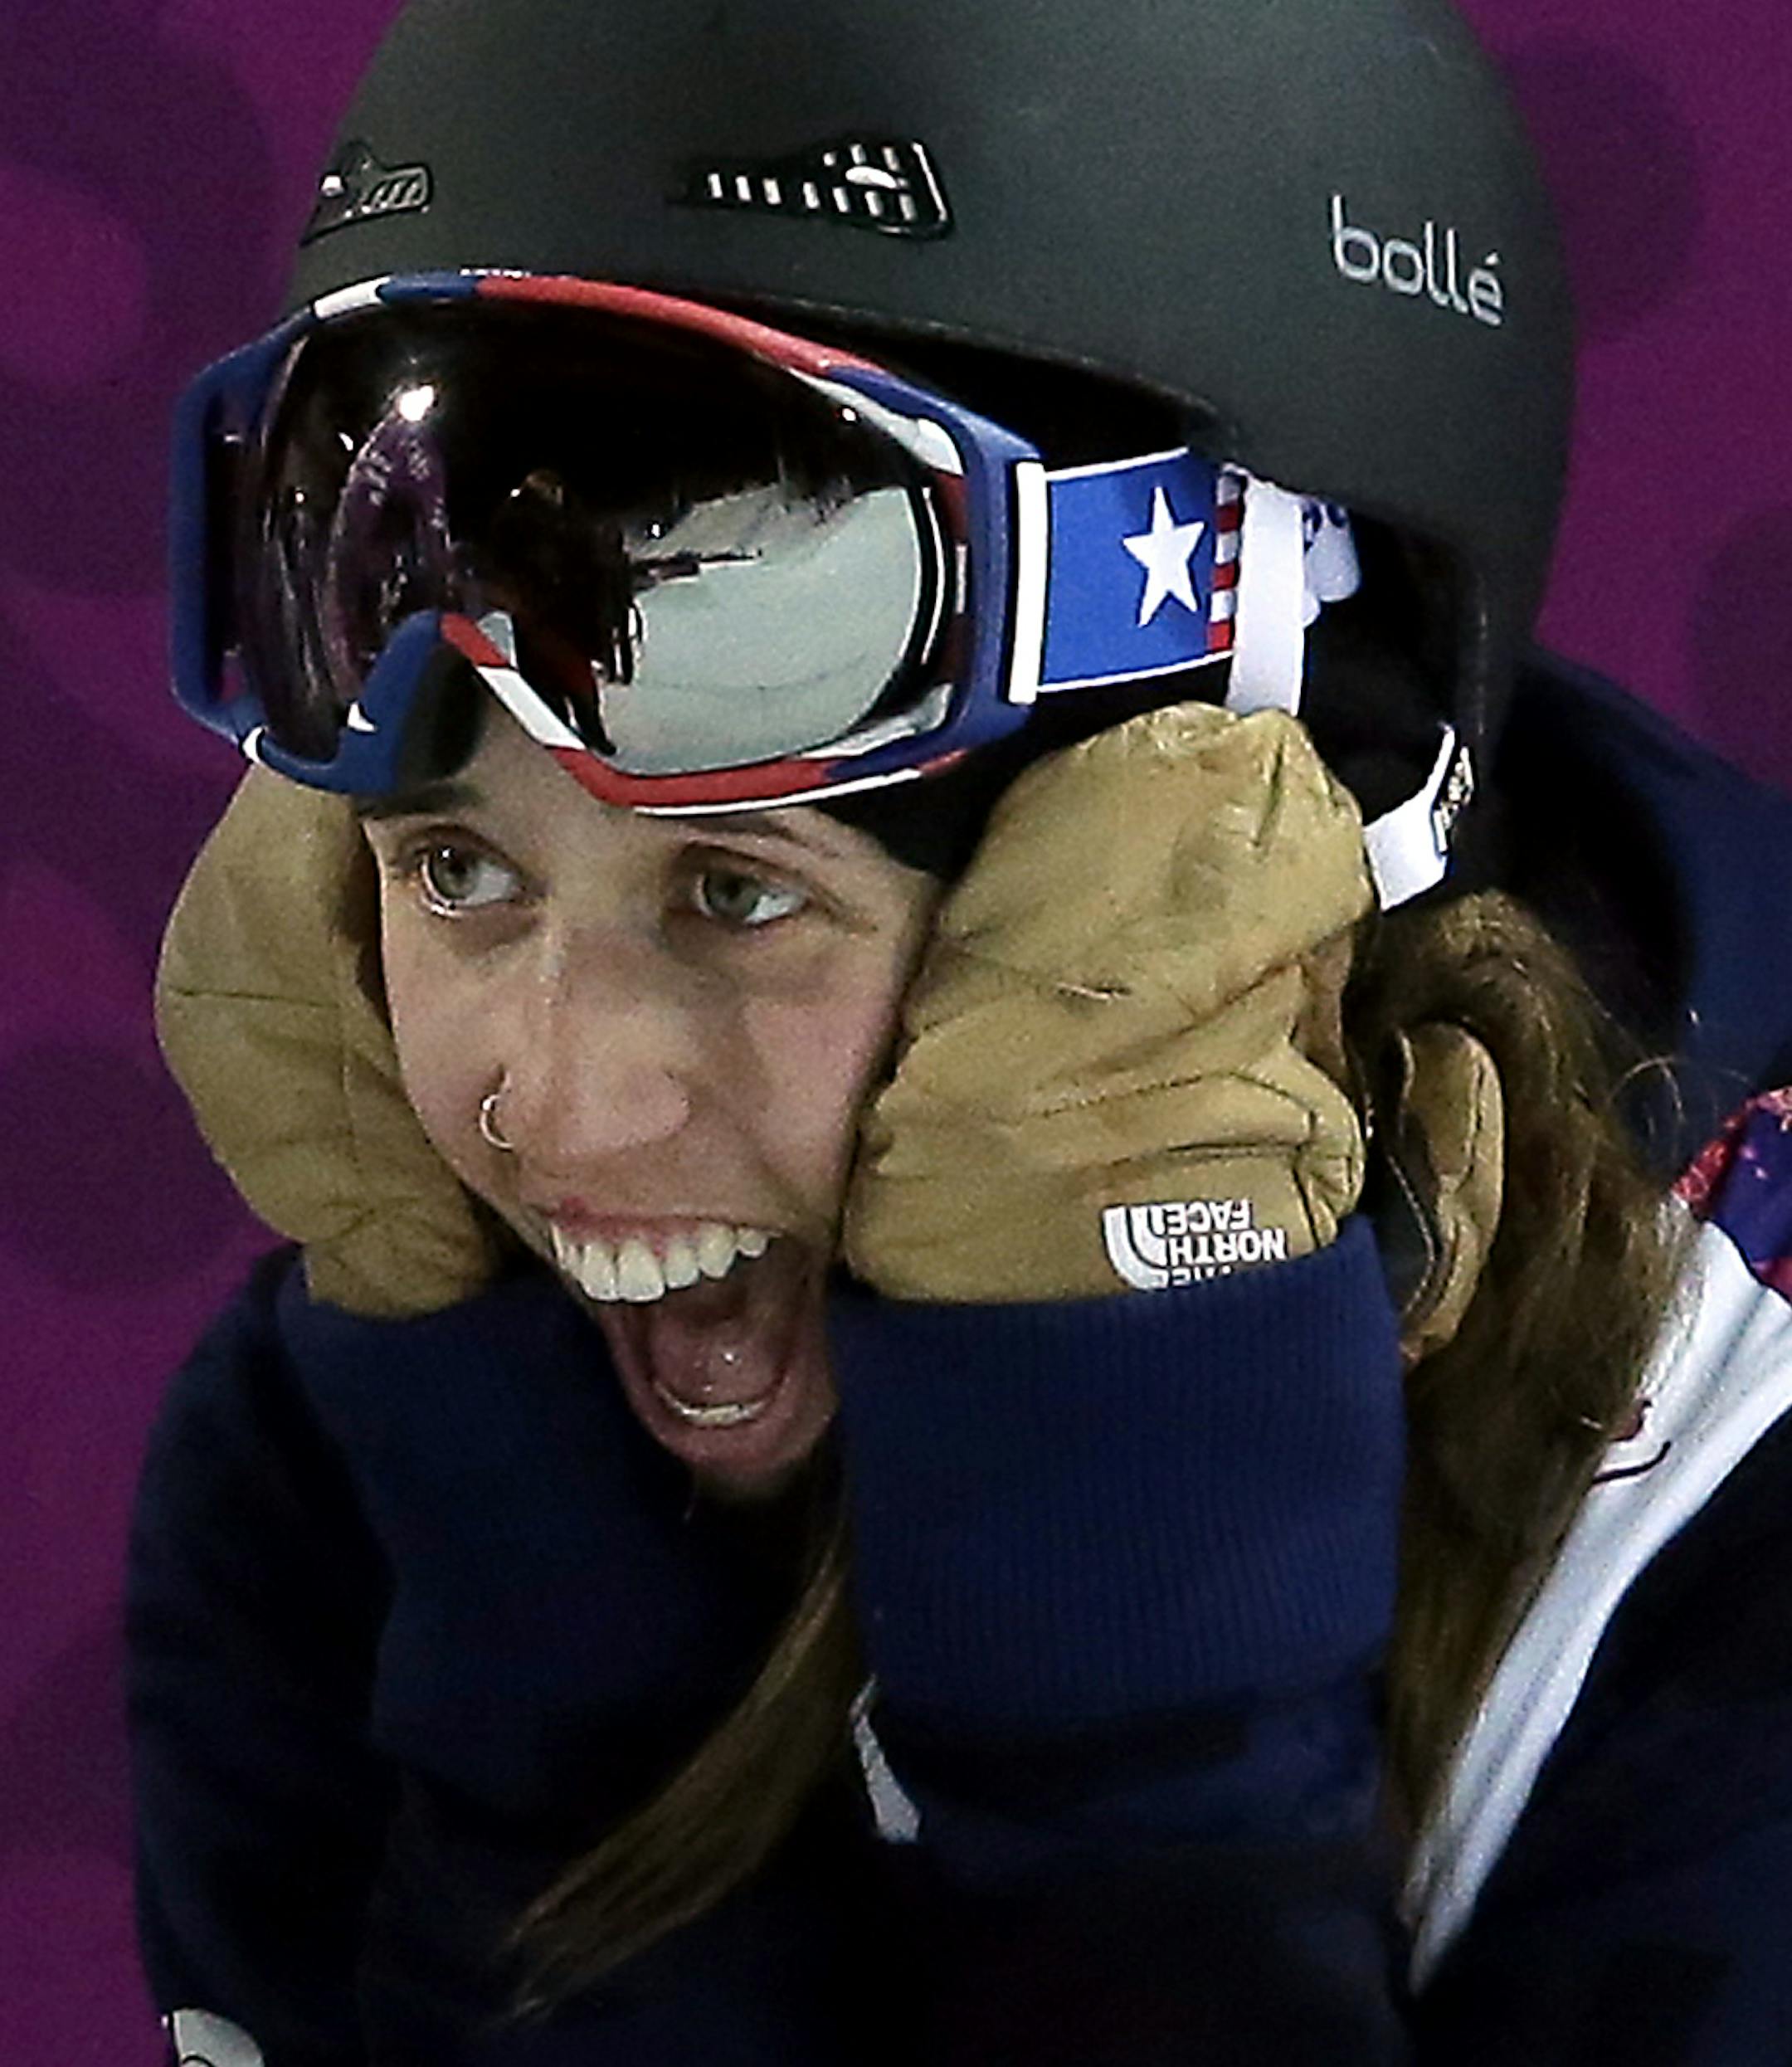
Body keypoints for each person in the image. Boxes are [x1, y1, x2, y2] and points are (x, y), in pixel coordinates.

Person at [128, 0, 1792, 2060]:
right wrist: (543, 1609)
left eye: (741, 892)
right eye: (459, 870)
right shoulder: (371, 1426)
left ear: (1270, 826)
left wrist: (1136, 1701)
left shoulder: (1725, 1519)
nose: (549, 1101)